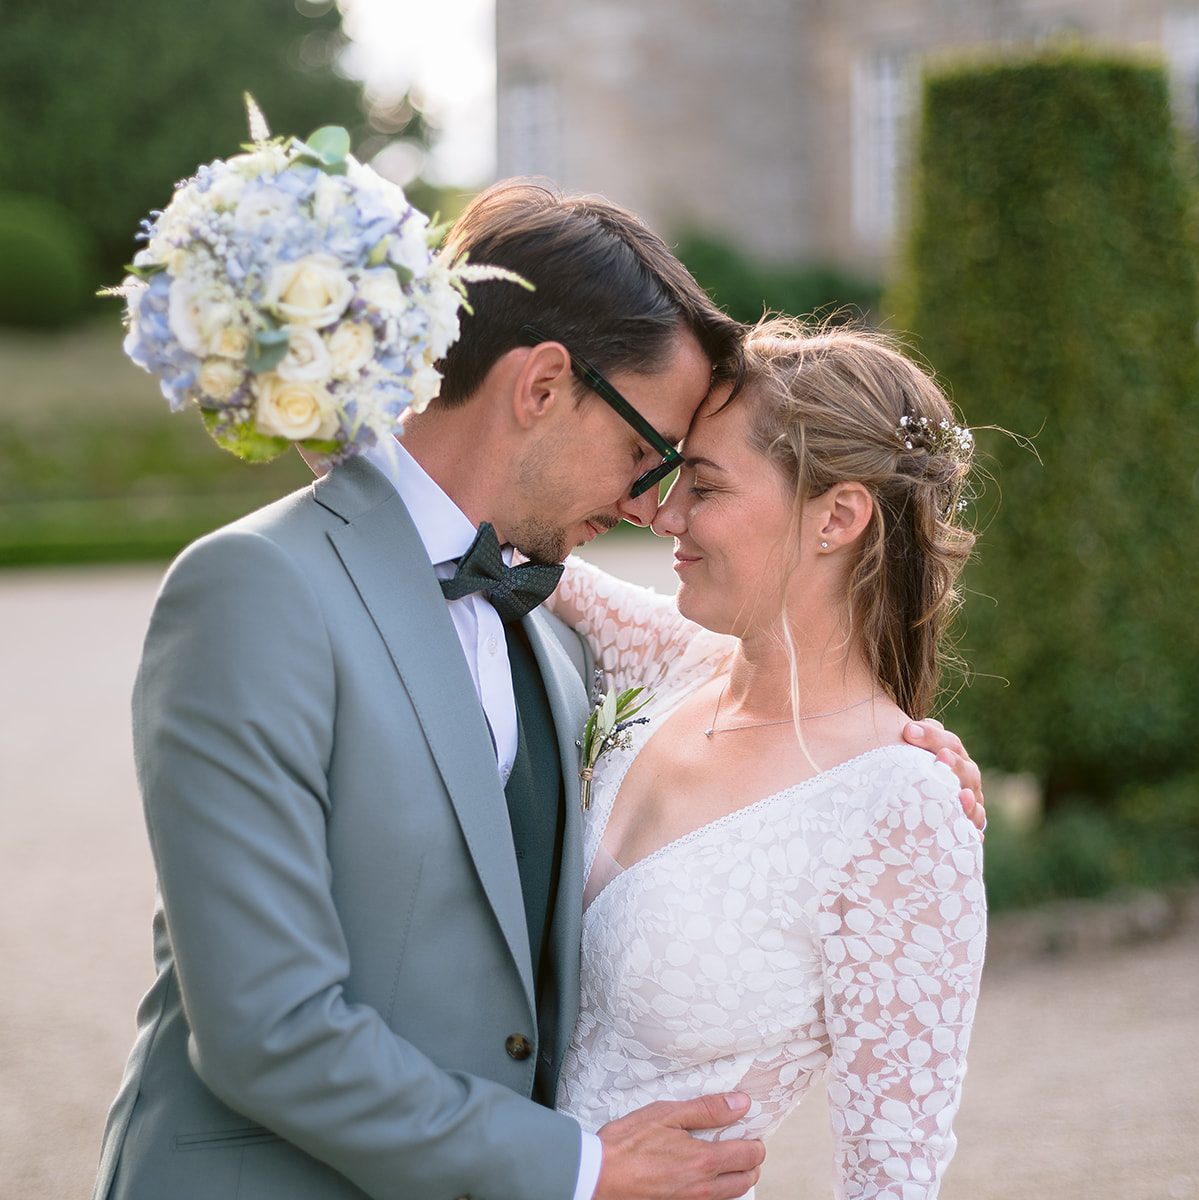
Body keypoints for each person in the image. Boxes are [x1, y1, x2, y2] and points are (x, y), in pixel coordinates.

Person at [93, 181, 985, 1200]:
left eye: (694, 479)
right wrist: (580, 1169)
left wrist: (900, 758)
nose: (650, 505)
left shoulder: (558, 642)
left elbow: (820, 722)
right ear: (542, 387)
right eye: (651, 453)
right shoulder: (257, 587)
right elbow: (263, 1027)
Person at [548, 318, 987, 1198]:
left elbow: (889, 1178)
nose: (663, 513)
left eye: (702, 485)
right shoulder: (671, 661)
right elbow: (456, 510)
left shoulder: (901, 809)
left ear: (836, 516)